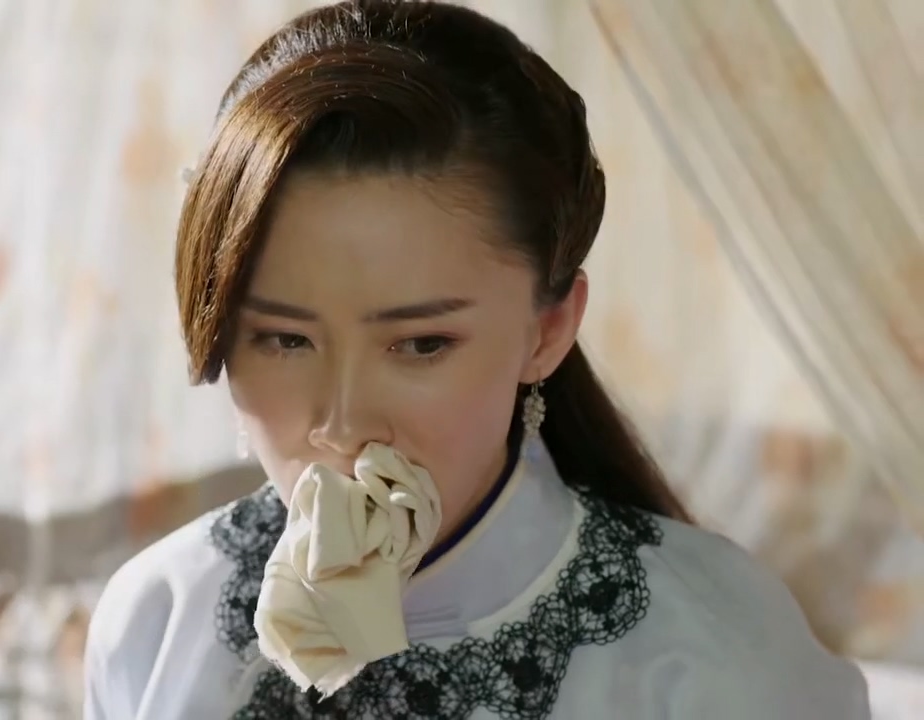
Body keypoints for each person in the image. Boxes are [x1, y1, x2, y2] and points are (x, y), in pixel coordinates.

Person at [82, 1, 872, 718]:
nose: (343, 427)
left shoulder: (716, 656)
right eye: (284, 340)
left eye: (421, 344)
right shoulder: (158, 619)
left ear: (548, 330)